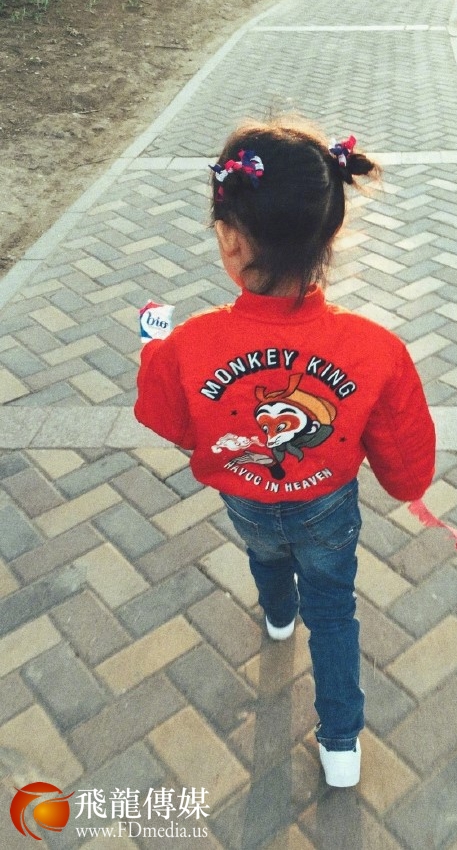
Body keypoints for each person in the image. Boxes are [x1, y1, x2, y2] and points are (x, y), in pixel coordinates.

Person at [134, 117, 436, 788]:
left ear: (232, 241)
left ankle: (275, 616)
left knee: (266, 555)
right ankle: (341, 746)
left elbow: (171, 420)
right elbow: (405, 460)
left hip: (246, 497)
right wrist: (407, 482)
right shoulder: (374, 348)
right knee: (333, 612)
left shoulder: (191, 343)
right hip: (327, 507)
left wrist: (154, 345)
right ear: (329, 235)